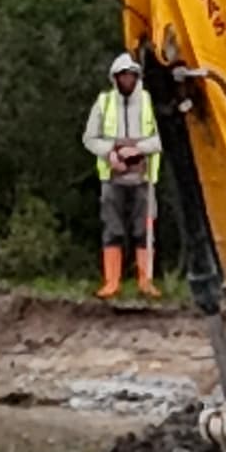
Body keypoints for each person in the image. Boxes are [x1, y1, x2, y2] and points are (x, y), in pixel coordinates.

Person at [84, 54, 161, 300]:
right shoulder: (104, 102)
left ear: (137, 77)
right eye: (122, 76)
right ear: (115, 78)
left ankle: (145, 282)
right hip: (112, 178)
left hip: (143, 179)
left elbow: (162, 138)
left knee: (145, 231)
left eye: (131, 75)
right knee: (112, 229)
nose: (127, 80)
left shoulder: (150, 102)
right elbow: (89, 138)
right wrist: (110, 154)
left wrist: (139, 150)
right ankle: (112, 283)